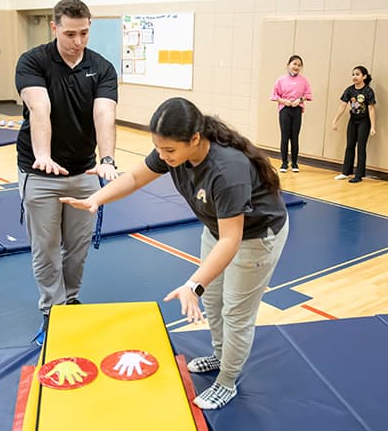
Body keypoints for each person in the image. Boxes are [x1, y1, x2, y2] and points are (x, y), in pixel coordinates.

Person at [60, 97, 289, 410]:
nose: (163, 156)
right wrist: (97, 199)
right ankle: (220, 355)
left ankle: (227, 381)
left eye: (169, 150)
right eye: (159, 148)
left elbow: (231, 240)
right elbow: (135, 177)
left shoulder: (227, 170)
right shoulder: (173, 153)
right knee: (213, 299)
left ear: (195, 139)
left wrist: (193, 284)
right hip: (216, 229)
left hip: (256, 236)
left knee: (236, 311)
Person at [14, 0, 119, 347]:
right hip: (39, 173)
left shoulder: (101, 67)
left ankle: (70, 301)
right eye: (70, 33)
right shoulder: (34, 61)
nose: (78, 41)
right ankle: (52, 311)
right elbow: (38, 107)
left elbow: (104, 114)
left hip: (83, 174)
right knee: (45, 248)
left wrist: (108, 160)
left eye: (84, 33)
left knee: (76, 248)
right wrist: (42, 154)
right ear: (54, 27)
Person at [331, 65, 377, 183]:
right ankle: (346, 172)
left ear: (364, 76)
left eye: (357, 74)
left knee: (361, 147)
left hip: (364, 121)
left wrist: (372, 126)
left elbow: (371, 109)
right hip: (353, 120)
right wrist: (335, 120)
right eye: (353, 74)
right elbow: (342, 106)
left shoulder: (368, 91)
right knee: (350, 145)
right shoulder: (350, 90)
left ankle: (359, 174)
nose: (354, 77)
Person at [270, 55, 313, 173]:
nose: (296, 67)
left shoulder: (303, 81)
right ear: (288, 65)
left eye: (299, 65)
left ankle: (294, 163)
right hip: (285, 109)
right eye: (294, 64)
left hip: (297, 109)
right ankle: (284, 163)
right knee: (285, 136)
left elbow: (308, 95)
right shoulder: (281, 80)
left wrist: (300, 100)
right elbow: (274, 96)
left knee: (295, 137)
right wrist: (285, 101)